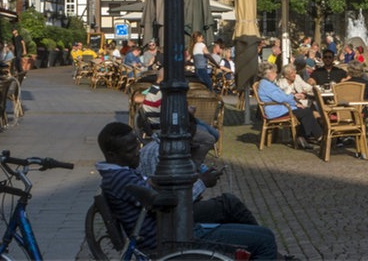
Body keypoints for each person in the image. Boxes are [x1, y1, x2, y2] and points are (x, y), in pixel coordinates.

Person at [96, 120, 278, 259]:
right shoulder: (121, 178)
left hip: (173, 229)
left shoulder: (116, 174)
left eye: (137, 145)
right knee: (265, 240)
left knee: (237, 215)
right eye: (130, 150)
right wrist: (199, 184)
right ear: (112, 154)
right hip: (175, 237)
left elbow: (150, 185)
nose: (137, 151)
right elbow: (164, 202)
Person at [255, 71, 323, 145]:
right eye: (274, 72)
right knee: (307, 112)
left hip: (281, 107)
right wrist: (294, 100)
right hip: (276, 111)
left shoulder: (268, 83)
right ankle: (308, 136)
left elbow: (282, 97)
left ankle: (306, 137)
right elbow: (281, 98)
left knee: (306, 111)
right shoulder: (266, 85)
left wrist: (295, 103)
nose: (276, 74)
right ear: (268, 74)